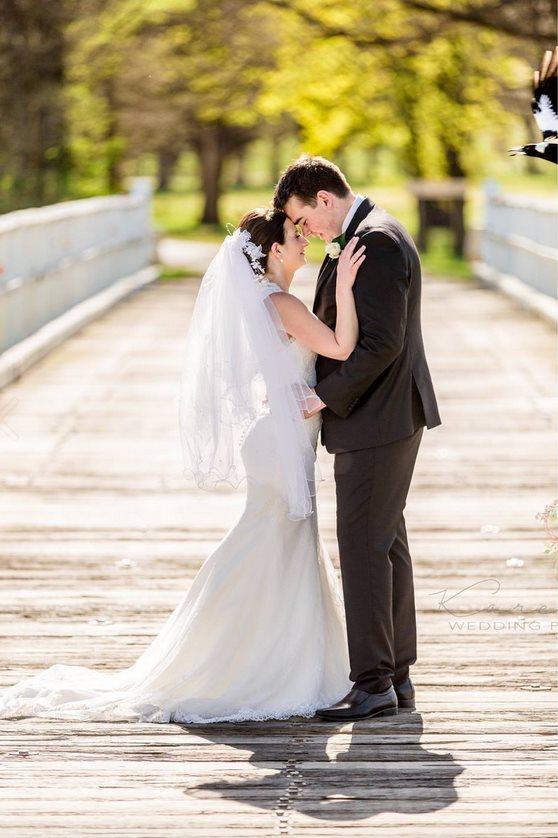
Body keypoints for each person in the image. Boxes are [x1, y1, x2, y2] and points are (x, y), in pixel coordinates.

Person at [0, 208, 375, 724]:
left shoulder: (266, 303)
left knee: (281, 548)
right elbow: (340, 345)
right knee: (273, 544)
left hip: (277, 439)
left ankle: (275, 657)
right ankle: (249, 661)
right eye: (295, 236)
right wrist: (350, 286)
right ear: (272, 252)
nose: (304, 241)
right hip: (281, 443)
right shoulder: (282, 302)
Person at [273, 155, 442, 721]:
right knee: (386, 544)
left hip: (378, 419)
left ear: (323, 198)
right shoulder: (371, 234)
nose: (305, 232)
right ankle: (395, 676)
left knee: (366, 550)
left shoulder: (378, 242)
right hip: (386, 417)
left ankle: (372, 684)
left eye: (304, 219)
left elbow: (381, 345)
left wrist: (324, 396)